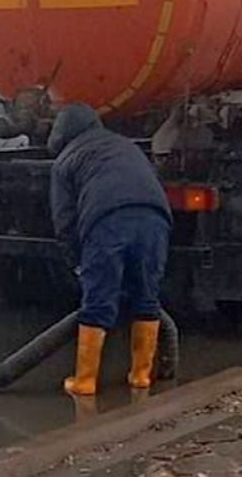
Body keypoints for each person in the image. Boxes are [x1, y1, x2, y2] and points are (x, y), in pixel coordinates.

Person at [48, 103, 172, 396]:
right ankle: (141, 376)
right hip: (156, 218)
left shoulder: (67, 160)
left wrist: (75, 261)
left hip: (108, 222)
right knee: (146, 295)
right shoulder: (124, 145)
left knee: (99, 300)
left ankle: (85, 381)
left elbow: (64, 220)